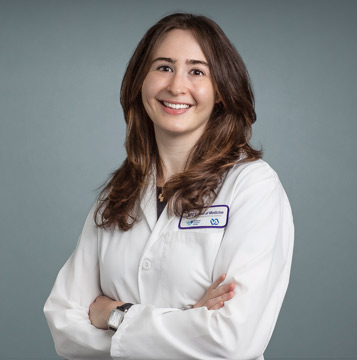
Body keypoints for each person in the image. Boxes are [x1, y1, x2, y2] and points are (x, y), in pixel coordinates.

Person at [44, 12, 294, 360]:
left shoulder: (252, 186)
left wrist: (115, 314)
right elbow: (64, 326)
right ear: (140, 82)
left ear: (221, 90)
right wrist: (189, 318)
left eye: (196, 71)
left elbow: (231, 341)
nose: (176, 86)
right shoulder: (118, 193)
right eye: (163, 67)